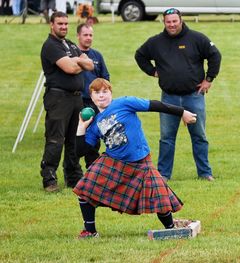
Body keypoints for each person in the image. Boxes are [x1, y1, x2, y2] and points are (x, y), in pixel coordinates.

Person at [73, 78, 197, 238]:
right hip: (114, 162)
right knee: (85, 189)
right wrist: (81, 127)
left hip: (140, 160)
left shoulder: (125, 103)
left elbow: (154, 105)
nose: (101, 96)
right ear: (91, 96)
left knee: (160, 196)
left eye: (105, 91)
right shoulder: (95, 123)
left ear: (111, 93)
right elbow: (80, 151)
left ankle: (171, 227)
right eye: (97, 93)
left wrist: (182, 112)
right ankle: (90, 231)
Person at [135, 8, 221, 182]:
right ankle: (164, 175)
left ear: (181, 20)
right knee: (166, 138)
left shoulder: (197, 38)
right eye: (168, 22)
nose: (172, 25)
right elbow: (140, 55)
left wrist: (209, 79)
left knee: (199, 136)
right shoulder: (156, 42)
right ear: (164, 22)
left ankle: (205, 173)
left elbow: (215, 55)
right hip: (169, 98)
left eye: (175, 21)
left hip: (193, 96)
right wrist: (152, 72)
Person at [40, 11, 94, 192]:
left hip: (76, 98)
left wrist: (77, 60)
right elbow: (71, 68)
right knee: (56, 139)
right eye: (59, 24)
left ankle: (73, 177)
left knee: (74, 139)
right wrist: (79, 61)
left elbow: (91, 65)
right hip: (58, 98)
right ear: (51, 25)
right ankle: (49, 179)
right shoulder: (50, 46)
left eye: (65, 23)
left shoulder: (70, 44)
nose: (63, 27)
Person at [76, 23, 110, 168]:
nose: (88, 38)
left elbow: (105, 78)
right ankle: (73, 175)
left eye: (91, 35)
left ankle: (93, 171)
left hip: (95, 103)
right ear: (78, 36)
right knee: (76, 136)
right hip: (77, 101)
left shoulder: (97, 56)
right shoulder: (73, 55)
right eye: (85, 35)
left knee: (95, 137)